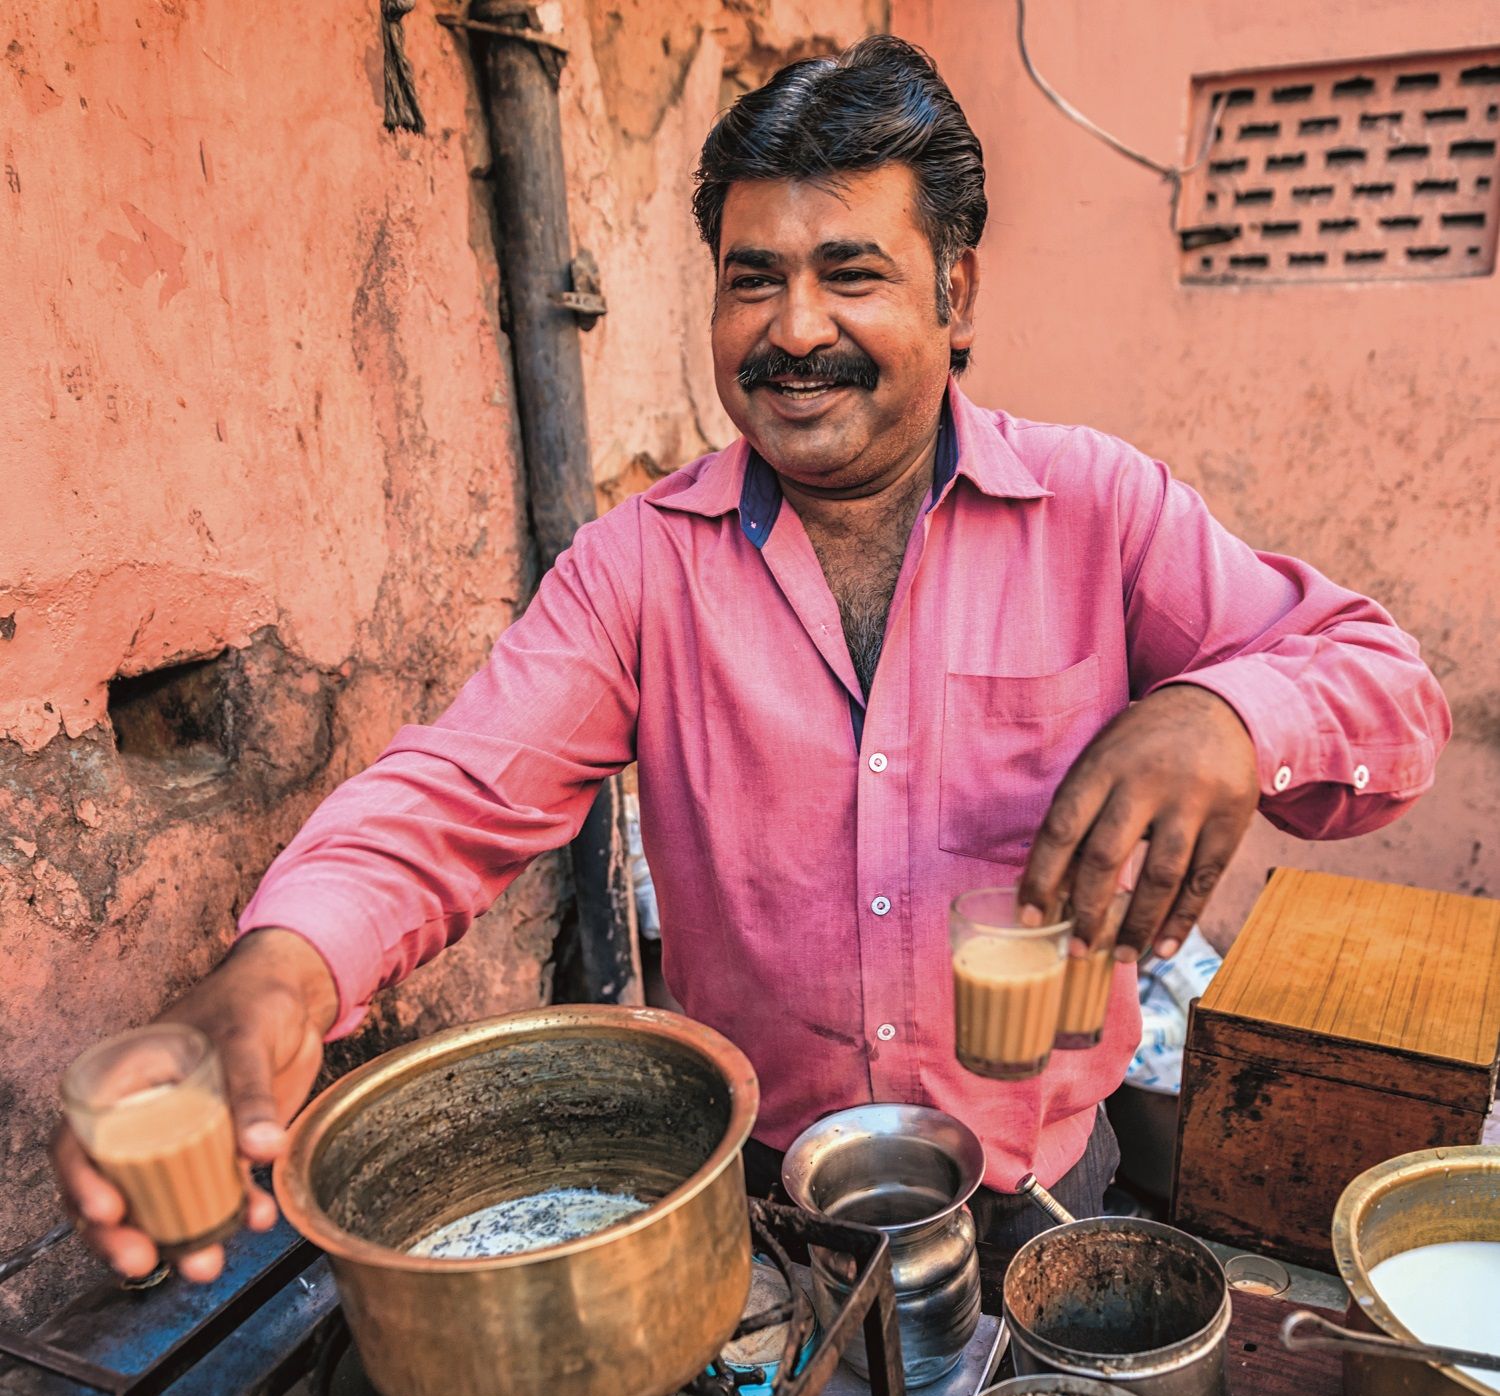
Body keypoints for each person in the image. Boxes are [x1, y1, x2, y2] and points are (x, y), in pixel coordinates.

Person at [53, 36, 1449, 1282]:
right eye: (752, 281)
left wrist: (1226, 711)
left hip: (1034, 1189)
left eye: (852, 273)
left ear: (957, 294)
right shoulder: (638, 567)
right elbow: (450, 795)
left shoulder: (1101, 512)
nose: (793, 329)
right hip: (759, 1203)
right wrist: (280, 972)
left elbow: (1385, 690)